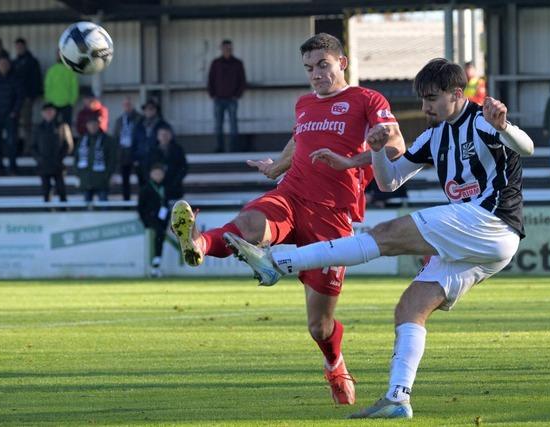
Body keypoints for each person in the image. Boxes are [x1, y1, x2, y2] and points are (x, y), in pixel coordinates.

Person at [224, 58, 535, 419]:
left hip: (490, 220)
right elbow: (389, 182)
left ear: (455, 93)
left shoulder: (483, 119)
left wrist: (506, 126)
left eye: (431, 99)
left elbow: (526, 148)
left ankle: (278, 261)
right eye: (422, 99)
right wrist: (375, 150)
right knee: (409, 308)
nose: (425, 107)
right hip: (484, 243)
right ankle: (398, 397)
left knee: (384, 234)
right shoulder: (434, 136)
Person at [170, 33, 406, 405]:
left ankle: (335, 364)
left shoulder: (367, 100)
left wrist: (351, 161)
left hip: (332, 215)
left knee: (319, 325)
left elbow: (397, 147)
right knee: (250, 225)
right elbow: (298, 141)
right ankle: (198, 243)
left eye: (323, 65)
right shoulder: (304, 104)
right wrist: (275, 168)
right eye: (309, 68)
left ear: (341, 63)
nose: (315, 74)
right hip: (291, 194)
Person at [208, 39, 246, 152]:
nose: (227, 50)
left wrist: (237, 95)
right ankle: (220, 148)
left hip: (232, 99)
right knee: (218, 124)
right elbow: (211, 79)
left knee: (233, 124)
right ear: (221, 49)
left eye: (229, 48)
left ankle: (234, 148)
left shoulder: (237, 63)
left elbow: (242, 80)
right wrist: (212, 94)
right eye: (225, 48)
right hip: (218, 98)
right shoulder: (216, 63)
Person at [0, 56, 22, 175]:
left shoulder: (14, 79)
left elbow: (19, 97)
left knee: (11, 142)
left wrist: (14, 112)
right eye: (1, 64)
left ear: (9, 65)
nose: (3, 66)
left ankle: (12, 168)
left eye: (5, 64)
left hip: (10, 117)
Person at [31, 103, 73, 203]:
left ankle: (64, 211)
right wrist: (39, 159)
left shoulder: (62, 126)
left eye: (50, 111)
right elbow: (32, 146)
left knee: (61, 190)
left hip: (57, 164)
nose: (48, 114)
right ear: (42, 113)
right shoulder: (38, 128)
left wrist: (59, 158)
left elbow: (68, 145)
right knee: (46, 191)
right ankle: (48, 212)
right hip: (44, 164)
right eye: (46, 112)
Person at [138, 163, 170, 278]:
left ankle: (157, 263)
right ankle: (156, 260)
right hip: (151, 218)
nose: (158, 176)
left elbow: (166, 204)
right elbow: (141, 207)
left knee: (160, 234)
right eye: (155, 173)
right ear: (151, 174)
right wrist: (145, 221)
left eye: (160, 174)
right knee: (159, 234)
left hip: (162, 218)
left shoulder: (166, 187)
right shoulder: (146, 188)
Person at [75, 116, 117, 203]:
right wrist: (79, 174)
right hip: (86, 179)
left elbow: (112, 159)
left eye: (94, 124)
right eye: (90, 124)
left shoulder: (108, 140)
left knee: (103, 206)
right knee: (86, 207)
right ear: (87, 125)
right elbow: (77, 158)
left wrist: (107, 175)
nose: (92, 126)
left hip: (102, 179)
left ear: (98, 125)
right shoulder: (82, 140)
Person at [12, 38, 43, 150]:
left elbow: (36, 80)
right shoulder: (14, 62)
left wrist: (32, 96)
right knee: (14, 124)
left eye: (20, 46)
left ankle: (28, 148)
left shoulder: (32, 62)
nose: (19, 49)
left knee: (27, 125)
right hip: (15, 99)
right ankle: (15, 148)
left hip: (26, 99)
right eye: (17, 47)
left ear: (25, 47)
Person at [132, 99, 169, 186]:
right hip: (141, 160)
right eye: (147, 109)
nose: (149, 111)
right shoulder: (139, 125)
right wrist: (134, 158)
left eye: (151, 109)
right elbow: (134, 142)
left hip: (156, 160)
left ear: (155, 110)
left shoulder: (162, 125)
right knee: (143, 185)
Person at [112, 96, 143, 200]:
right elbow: (116, 137)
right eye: (125, 105)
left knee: (141, 179)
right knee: (125, 180)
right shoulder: (120, 120)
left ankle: (143, 199)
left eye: (129, 104)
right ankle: (126, 201)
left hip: (136, 152)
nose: (127, 107)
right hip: (123, 153)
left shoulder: (139, 118)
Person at [150, 124, 187, 203]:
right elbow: (148, 167)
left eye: (166, 134)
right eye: (161, 135)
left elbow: (184, 167)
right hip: (157, 187)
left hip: (175, 187)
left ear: (170, 136)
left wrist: (176, 180)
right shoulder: (152, 151)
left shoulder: (178, 149)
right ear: (157, 136)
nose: (164, 137)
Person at [43, 52, 78, 125]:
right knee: (64, 125)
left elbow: (74, 87)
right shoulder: (53, 70)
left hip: (64, 103)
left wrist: (72, 101)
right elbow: (47, 86)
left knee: (58, 125)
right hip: (55, 103)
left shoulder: (53, 70)